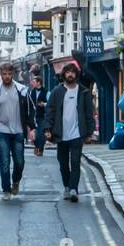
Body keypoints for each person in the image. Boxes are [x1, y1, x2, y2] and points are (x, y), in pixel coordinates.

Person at [45, 62, 94, 202]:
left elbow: (89, 113)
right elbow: (50, 111)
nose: (70, 74)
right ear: (64, 75)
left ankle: (74, 189)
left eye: (73, 72)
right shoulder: (57, 92)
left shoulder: (83, 92)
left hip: (77, 133)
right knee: (63, 163)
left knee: (75, 161)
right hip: (61, 134)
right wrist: (48, 129)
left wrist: (89, 133)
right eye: (68, 72)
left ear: (76, 74)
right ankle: (67, 186)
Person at [0, 62, 34, 199]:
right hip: (1, 132)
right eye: (4, 74)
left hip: (18, 131)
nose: (7, 76)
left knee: (19, 162)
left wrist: (32, 128)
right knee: (4, 162)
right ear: (0, 75)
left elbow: (30, 110)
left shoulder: (22, 90)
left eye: (9, 74)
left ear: (13, 74)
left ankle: (16, 181)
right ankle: (6, 190)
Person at [27, 73, 49, 157]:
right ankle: (36, 146)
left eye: (34, 81)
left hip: (42, 116)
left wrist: (43, 104)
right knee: (34, 134)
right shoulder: (31, 92)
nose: (32, 83)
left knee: (41, 133)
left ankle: (41, 149)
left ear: (39, 82)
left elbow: (50, 103)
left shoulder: (46, 92)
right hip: (33, 116)